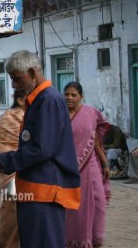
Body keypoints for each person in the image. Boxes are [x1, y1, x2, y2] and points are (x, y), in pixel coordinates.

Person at [0, 50, 80, 248]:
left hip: (45, 189)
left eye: (17, 79)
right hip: (33, 188)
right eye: (11, 79)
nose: (14, 85)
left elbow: (41, 149)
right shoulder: (38, 99)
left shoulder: (48, 99)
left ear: (32, 72)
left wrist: (0, 159)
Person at [63, 81, 111, 248]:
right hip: (67, 170)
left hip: (90, 167)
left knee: (97, 205)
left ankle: (95, 239)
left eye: (73, 95)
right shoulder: (59, 115)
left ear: (81, 97)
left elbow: (95, 139)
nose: (69, 98)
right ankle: (76, 242)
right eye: (67, 94)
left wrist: (105, 163)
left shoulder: (90, 113)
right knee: (74, 209)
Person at [0, 89, 26, 248]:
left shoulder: (34, 118)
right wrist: (10, 160)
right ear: (20, 100)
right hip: (12, 177)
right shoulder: (10, 117)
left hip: (30, 175)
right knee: (12, 219)